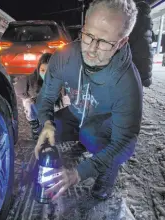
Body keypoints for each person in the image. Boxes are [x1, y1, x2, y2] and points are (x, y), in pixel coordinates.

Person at [34, 0, 142, 201]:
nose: (91, 49)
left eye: (103, 42)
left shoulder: (126, 83)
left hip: (103, 122)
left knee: (90, 134)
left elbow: (125, 142)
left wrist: (79, 173)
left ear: (121, 42)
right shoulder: (64, 56)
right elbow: (45, 98)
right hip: (77, 111)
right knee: (48, 130)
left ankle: (105, 177)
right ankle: (79, 141)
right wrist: (46, 123)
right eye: (88, 36)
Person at [14, 53, 69, 140]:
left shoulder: (63, 79)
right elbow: (19, 90)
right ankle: (35, 126)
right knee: (28, 102)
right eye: (43, 71)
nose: (45, 74)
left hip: (54, 107)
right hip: (38, 106)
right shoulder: (32, 80)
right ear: (38, 69)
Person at [128, 0, 154, 87]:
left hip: (136, 57)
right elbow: (153, 38)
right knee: (140, 84)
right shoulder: (149, 22)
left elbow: (130, 38)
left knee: (133, 85)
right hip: (145, 58)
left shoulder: (137, 20)